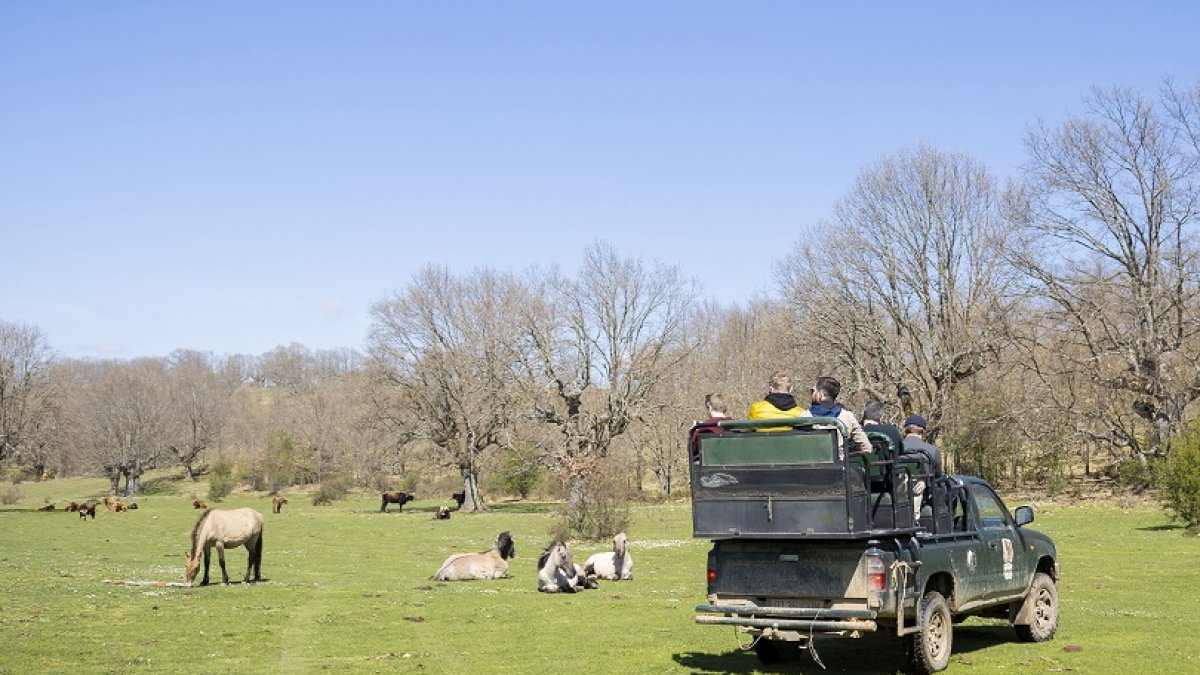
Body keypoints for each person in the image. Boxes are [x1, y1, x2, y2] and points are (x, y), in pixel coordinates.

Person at [806, 376, 872, 455]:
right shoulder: (848, 416)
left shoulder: (804, 417)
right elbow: (867, 448)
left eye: (813, 391)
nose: (811, 394)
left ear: (821, 393)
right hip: (840, 466)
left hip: (810, 465)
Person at [902, 414, 944, 517]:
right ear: (923, 432)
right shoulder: (932, 450)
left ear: (906, 430)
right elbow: (938, 475)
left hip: (898, 490)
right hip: (921, 492)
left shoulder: (896, 448)